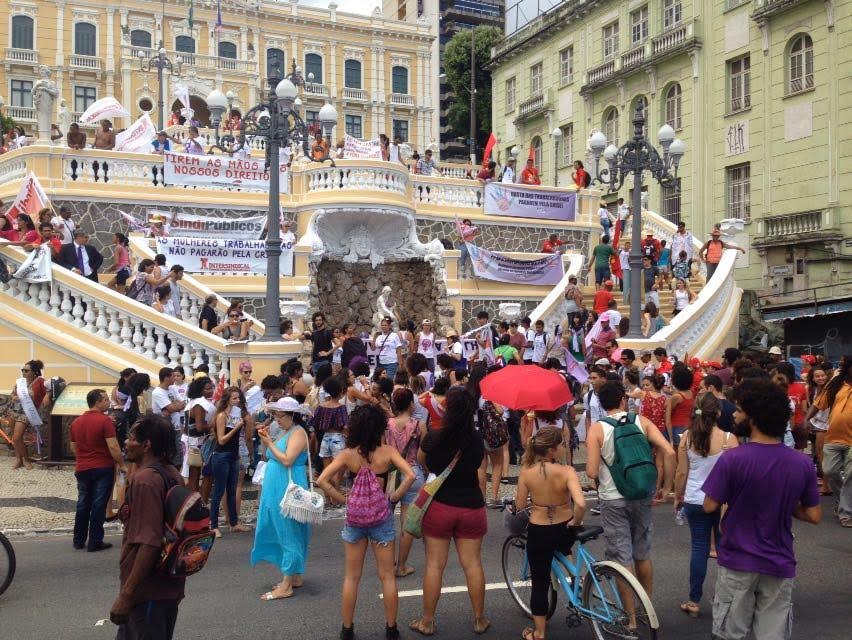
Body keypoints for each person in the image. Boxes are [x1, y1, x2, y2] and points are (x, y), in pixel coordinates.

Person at [702, 378, 821, 640]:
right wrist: (784, 502)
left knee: (729, 632)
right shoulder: (801, 463)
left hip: (738, 559)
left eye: (740, 410)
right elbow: (813, 515)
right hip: (779, 560)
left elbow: (709, 504)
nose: (734, 414)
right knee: (772, 633)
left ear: (753, 418)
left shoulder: (732, 459)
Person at [317, 405, 415, 640]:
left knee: (352, 576)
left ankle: (347, 629)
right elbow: (410, 475)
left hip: (355, 520)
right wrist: (394, 496)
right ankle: (391, 629)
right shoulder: (388, 452)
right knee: (387, 576)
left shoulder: (348, 454)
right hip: (381, 519)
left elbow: (322, 479)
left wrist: (344, 500)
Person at [409, 386, 489, 636]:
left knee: (434, 565)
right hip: (471, 504)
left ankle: (428, 621)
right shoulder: (476, 438)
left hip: (441, 505)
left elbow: (422, 460)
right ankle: (478, 619)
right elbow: (479, 465)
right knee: (473, 564)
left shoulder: (434, 436)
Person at [585, 381, 675, 599]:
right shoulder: (641, 422)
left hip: (613, 498)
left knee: (622, 559)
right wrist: (665, 487)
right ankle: (648, 610)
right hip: (642, 493)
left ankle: (631, 618)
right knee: (642, 553)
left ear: (602, 403)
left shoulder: (597, 428)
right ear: (623, 400)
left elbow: (591, 472)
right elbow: (670, 452)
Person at [109, 416, 185, 639]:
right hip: (167, 585)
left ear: (146, 445)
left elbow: (149, 541)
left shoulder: (145, 481)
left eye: (132, 438)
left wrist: (127, 594)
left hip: (147, 591)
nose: (125, 442)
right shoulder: (172, 473)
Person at [514, 426, 586, 640]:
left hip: (539, 529)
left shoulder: (526, 472)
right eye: (563, 444)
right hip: (564, 527)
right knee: (565, 548)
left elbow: (520, 505)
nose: (565, 448)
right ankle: (577, 582)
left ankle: (539, 632)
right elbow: (580, 504)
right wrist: (575, 522)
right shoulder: (567, 472)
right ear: (553, 450)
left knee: (540, 581)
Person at [673, 393, 738, 618]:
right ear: (718, 413)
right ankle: (725, 597)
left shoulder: (687, 438)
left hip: (694, 499)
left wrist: (677, 496)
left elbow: (681, 472)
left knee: (699, 548)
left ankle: (693, 600)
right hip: (723, 502)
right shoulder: (730, 439)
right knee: (724, 550)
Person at [252, 397, 313, 600]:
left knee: (288, 531)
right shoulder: (287, 431)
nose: (276, 419)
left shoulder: (299, 433)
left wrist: (269, 441)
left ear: (292, 415)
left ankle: (287, 584)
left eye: (280, 415)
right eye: (275, 414)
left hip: (287, 487)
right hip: (278, 487)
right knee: (283, 528)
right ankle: (293, 576)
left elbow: (287, 459)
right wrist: (267, 439)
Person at [70, 388, 126, 551]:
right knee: (99, 504)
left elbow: (73, 447)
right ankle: (95, 540)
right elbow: (113, 446)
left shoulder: (76, 422)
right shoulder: (105, 421)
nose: (108, 402)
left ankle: (78, 539)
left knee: (83, 503)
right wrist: (122, 464)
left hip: (82, 466)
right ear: (97, 402)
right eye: (106, 400)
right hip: (102, 466)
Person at [385, 387, 426, 578]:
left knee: (386, 520)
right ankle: (401, 566)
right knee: (407, 524)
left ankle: (387, 562)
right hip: (413, 473)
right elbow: (422, 454)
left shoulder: (387, 425)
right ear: (411, 404)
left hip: (391, 474)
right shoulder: (419, 425)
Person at [812, 357, 852, 527]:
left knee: (851, 474)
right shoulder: (836, 384)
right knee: (830, 470)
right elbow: (818, 404)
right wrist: (807, 420)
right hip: (833, 437)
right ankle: (842, 501)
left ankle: (845, 512)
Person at [211, 386, 254, 537]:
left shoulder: (238, 415)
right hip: (222, 455)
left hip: (234, 455)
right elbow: (221, 440)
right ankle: (214, 525)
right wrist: (236, 428)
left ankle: (234, 523)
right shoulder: (222, 416)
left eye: (238, 398)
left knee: (231, 490)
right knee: (218, 491)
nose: (237, 401)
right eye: (234, 398)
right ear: (227, 400)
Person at [7, 359, 49, 470]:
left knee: (17, 437)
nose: (23, 372)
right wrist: (13, 397)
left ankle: (26, 459)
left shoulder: (40, 381)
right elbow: (12, 394)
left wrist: (47, 396)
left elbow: (50, 388)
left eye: (26, 370)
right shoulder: (20, 382)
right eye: (23, 370)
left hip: (27, 413)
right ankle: (18, 459)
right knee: (14, 438)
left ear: (34, 372)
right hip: (14, 411)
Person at [185, 376, 216, 493]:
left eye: (211, 388)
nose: (211, 391)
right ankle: (197, 504)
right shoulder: (199, 405)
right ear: (200, 390)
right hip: (196, 442)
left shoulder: (194, 401)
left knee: (195, 474)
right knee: (196, 476)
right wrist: (215, 425)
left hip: (193, 440)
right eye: (207, 389)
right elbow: (199, 427)